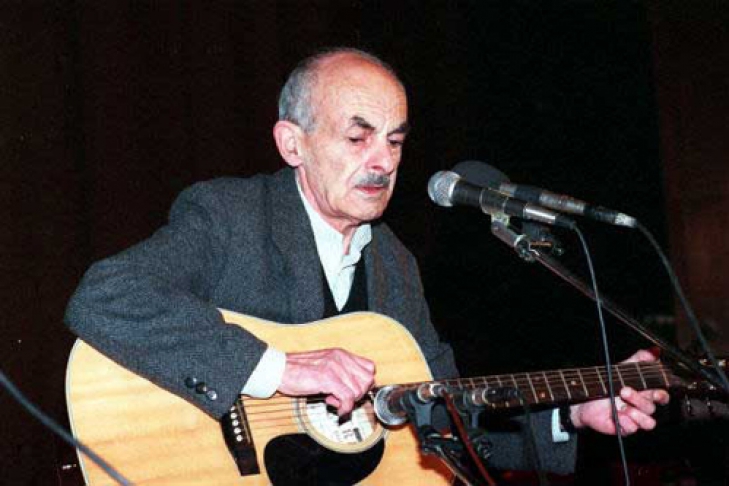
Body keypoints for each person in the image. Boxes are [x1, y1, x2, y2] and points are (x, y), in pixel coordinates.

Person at [65, 47, 668, 483]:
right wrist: (278, 368)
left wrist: (573, 412)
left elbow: (447, 417)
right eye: (358, 138)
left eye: (395, 141)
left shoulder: (395, 262)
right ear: (293, 143)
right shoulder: (232, 215)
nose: (383, 162)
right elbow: (107, 295)